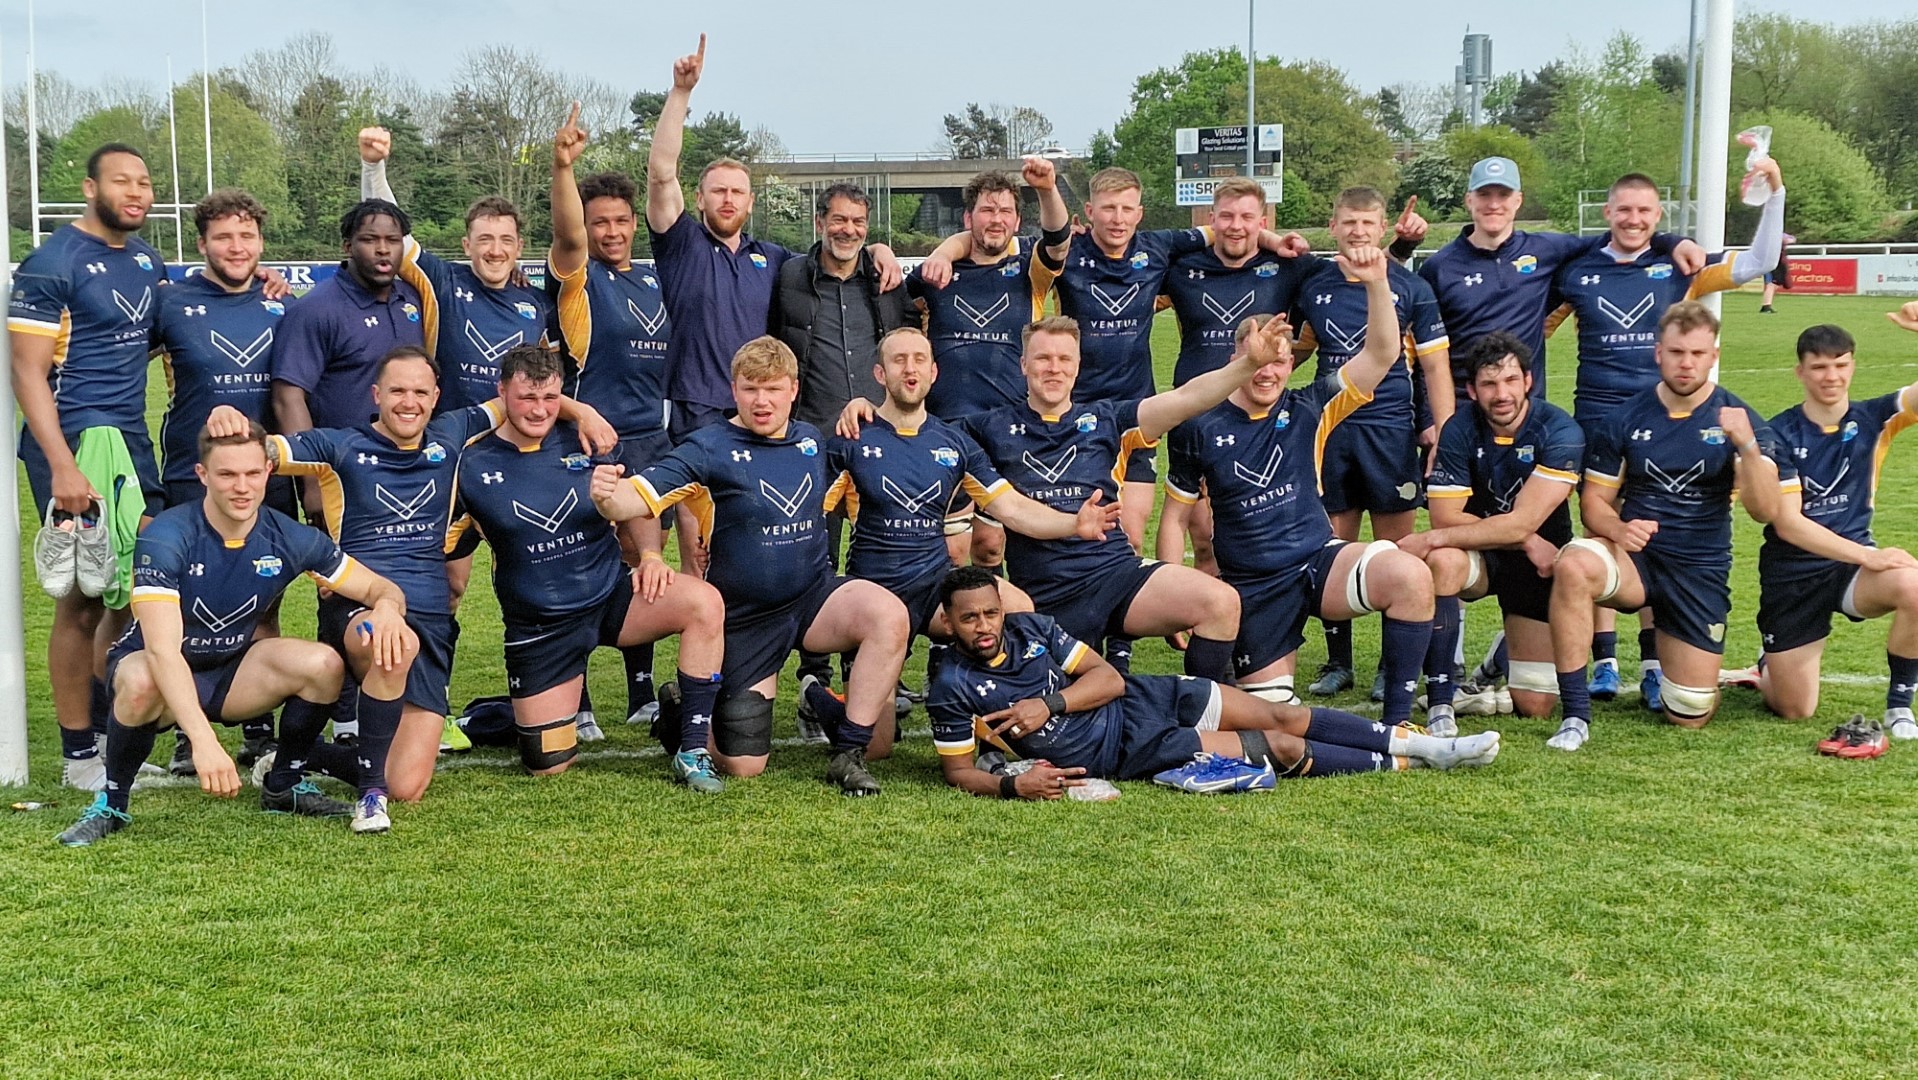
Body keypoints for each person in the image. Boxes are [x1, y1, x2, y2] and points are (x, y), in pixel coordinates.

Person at [229, 346, 615, 806]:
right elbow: (265, 449)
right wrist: (232, 425)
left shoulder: (453, 434)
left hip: (429, 619)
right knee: (392, 645)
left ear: (436, 398)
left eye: (418, 391)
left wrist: (583, 410)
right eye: (396, 391)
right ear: (377, 394)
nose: (407, 402)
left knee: (407, 785)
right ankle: (358, 795)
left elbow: (525, 396)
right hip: (359, 606)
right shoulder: (338, 446)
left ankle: (302, 754)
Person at [55, 420, 413, 845]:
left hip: (233, 673)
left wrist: (389, 607)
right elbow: (163, 653)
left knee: (324, 664)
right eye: (226, 474)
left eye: (251, 473)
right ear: (203, 476)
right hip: (159, 675)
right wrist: (203, 742)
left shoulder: (288, 536)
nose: (241, 487)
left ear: (267, 472)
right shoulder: (167, 538)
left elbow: (378, 586)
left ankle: (285, 785)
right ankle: (112, 803)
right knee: (141, 680)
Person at [923, 167, 1308, 552]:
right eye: (1108, 208)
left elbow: (1223, 230)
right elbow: (986, 238)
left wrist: (1273, 239)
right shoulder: (1067, 252)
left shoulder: (1159, 248)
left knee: (1131, 537)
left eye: (1127, 209)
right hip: (1079, 417)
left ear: (1140, 214)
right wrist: (943, 251)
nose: (1118, 218)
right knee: (1069, 534)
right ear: (1089, 211)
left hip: (1140, 410)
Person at [590, 337, 911, 795]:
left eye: (773, 389)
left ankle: (849, 753)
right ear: (733, 390)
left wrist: (865, 403)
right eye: (750, 389)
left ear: (794, 390)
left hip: (813, 597)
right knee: (744, 764)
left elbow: (887, 441)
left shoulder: (811, 441)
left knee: (888, 614)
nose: (762, 401)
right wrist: (607, 495)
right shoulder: (707, 447)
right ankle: (680, 711)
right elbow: (636, 496)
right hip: (746, 619)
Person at [1159, 245, 1438, 727]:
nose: (1268, 371)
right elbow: (1174, 517)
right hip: (1255, 585)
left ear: (1292, 364)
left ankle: (1398, 722)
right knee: (1272, 720)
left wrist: (1376, 282)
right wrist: (1172, 594)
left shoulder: (1312, 406)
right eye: (1257, 358)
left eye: (1280, 360)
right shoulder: (1198, 425)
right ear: (1237, 358)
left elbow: (1383, 353)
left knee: (1409, 575)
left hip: (1317, 561)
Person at [926, 567, 1500, 799]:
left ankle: (1428, 744)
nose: (983, 627)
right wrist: (1011, 786)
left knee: (1281, 714)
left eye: (990, 614)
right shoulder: (951, 681)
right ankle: (1411, 764)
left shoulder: (1033, 627)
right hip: (1130, 749)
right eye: (969, 618)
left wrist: (1044, 704)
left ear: (1002, 610)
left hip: (1149, 697)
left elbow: (1109, 679)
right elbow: (957, 770)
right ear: (949, 621)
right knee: (1282, 747)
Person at [1547, 160, 1786, 703]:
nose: (1633, 220)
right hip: (1600, 417)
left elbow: (1759, 261)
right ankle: (1604, 661)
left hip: (1671, 415)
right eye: (1624, 210)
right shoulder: (1577, 269)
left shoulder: (1683, 265)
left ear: (1660, 216)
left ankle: (1655, 660)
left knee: (1654, 528)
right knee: (1609, 528)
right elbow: (1532, 323)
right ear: (1607, 213)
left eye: (1645, 212)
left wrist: (1775, 193)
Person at [821, 326, 1123, 754]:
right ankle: (826, 698)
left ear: (934, 372)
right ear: (879, 373)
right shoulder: (851, 439)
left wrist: (1074, 523)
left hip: (936, 588)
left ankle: (997, 705)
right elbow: (806, 511)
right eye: (899, 360)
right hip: (874, 593)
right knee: (877, 748)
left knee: (1015, 605)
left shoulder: (955, 443)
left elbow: (1011, 507)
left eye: (919, 360)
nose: (910, 369)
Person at [446, 347, 729, 791]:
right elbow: (444, 548)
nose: (540, 410)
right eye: (526, 399)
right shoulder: (471, 464)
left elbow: (637, 499)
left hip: (610, 598)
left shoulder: (586, 438)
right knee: (548, 763)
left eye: (550, 398)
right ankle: (495, 714)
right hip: (541, 626)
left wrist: (651, 556)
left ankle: (689, 746)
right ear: (502, 393)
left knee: (703, 602)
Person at [954, 313, 1264, 684]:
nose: (1054, 368)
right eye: (1042, 358)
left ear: (1078, 365)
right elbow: (921, 431)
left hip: (1113, 575)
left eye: (1064, 359)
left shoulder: (1107, 419)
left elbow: (1185, 399)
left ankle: (1214, 712)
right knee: (1061, 714)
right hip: (1040, 593)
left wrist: (1248, 365)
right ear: (1023, 365)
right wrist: (866, 411)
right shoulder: (985, 427)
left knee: (1221, 602)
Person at [1547, 302, 1793, 750]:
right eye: (1677, 352)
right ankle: (1575, 713)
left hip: (1699, 569)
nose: (1687, 363)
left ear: (1713, 355)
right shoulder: (1624, 418)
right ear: (1658, 353)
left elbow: (1765, 510)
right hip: (1637, 561)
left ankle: (1697, 659)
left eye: (1697, 353)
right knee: (1574, 563)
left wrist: (1749, 448)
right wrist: (1619, 531)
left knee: (1689, 713)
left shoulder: (1739, 418)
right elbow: (1595, 504)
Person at [10, 143, 171, 790]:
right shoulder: (53, 264)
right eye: (121, 181)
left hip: (132, 444)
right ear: (89, 187)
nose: (135, 192)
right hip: (74, 444)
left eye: (144, 182)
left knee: (130, 594)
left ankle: (113, 743)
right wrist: (62, 465)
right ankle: (79, 756)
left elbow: (163, 337)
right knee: (78, 602)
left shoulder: (147, 260)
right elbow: (26, 372)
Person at [645, 34, 900, 439]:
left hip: (764, 407)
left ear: (750, 203)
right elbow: (661, 172)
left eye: (737, 192)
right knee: (697, 502)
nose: (728, 200)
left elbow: (835, 253)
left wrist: (877, 249)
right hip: (698, 406)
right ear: (699, 198)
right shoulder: (680, 244)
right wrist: (681, 92)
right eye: (719, 191)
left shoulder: (775, 259)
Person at [153, 189, 299, 776]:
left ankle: (258, 727)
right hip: (192, 479)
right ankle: (192, 731)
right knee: (191, 608)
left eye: (247, 236)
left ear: (261, 243)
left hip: (267, 478)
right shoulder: (170, 302)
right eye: (224, 237)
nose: (236, 247)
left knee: (262, 601)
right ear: (201, 244)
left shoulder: (282, 304)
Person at [1288, 186, 1450, 700]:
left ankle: (1390, 663)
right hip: (1331, 428)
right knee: (1332, 546)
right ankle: (1338, 663)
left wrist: (1443, 430)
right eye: (1349, 222)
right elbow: (1291, 352)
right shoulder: (1312, 285)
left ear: (1383, 228)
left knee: (1393, 549)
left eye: (1368, 223)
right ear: (1331, 227)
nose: (1358, 231)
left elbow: (1434, 365)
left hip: (1389, 430)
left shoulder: (1410, 286)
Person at [547, 102, 676, 733]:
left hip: (652, 439)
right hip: (589, 442)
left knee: (644, 560)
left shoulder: (655, 283)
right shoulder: (580, 280)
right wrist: (563, 169)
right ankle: (580, 699)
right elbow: (567, 234)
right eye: (601, 223)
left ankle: (641, 688)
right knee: (584, 565)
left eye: (622, 221)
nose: (611, 232)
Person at [1728, 309, 1918, 734]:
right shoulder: (1778, 435)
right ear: (1800, 371)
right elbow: (1788, 524)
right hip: (1794, 576)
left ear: (1852, 365)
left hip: (1852, 571)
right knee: (1795, 708)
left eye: (1840, 364)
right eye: (1819, 367)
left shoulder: (1876, 418)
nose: (1831, 376)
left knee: (1915, 585)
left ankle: (1900, 706)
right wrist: (1871, 555)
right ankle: (1767, 666)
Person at [1398, 333, 1586, 732]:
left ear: (1528, 382)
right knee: (1444, 561)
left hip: (1537, 569)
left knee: (1535, 705)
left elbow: (1519, 520)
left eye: (1510, 381)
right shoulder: (1459, 429)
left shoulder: (1559, 430)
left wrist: (1433, 538)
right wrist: (1528, 539)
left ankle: (1498, 661)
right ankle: (1441, 703)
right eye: (1489, 383)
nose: (1501, 393)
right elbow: (1446, 517)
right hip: (1485, 555)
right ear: (1472, 389)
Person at [1416, 156, 1703, 405]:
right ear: (1469, 200)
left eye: (1502, 195)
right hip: (1462, 407)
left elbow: (1624, 235)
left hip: (1525, 409)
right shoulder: (1438, 267)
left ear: (1518, 200)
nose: (1493, 204)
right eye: (1483, 194)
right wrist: (1431, 418)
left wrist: (1672, 241)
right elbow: (1422, 350)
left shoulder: (1548, 249)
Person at [1157, 178, 1327, 581]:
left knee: (1249, 529)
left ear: (1262, 220)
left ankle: (1248, 618)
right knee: (1204, 540)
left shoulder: (1289, 268)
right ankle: (1204, 620)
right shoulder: (1182, 268)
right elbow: (1131, 254)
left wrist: (1283, 367)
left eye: (1248, 218)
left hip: (1258, 422)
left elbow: (1348, 275)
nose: (1237, 225)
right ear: (1211, 218)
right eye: (1227, 216)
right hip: (1196, 414)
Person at [908, 163, 1069, 573]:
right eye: (986, 210)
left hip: (1007, 427)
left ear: (1016, 220)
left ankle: (1001, 628)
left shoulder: (1029, 271)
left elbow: (1057, 238)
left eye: (1004, 211)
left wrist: (1047, 189)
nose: (995, 219)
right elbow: (889, 303)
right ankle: (948, 634)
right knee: (950, 547)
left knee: (992, 544)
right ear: (968, 218)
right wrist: (938, 252)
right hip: (944, 425)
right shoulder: (937, 274)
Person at [1760, 234, 1795, 314]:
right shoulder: (1771, 235)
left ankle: (1767, 304)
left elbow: (1791, 239)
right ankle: (1766, 306)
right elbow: (1790, 239)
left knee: (1773, 285)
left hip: (1773, 262)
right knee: (1771, 284)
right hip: (1772, 263)